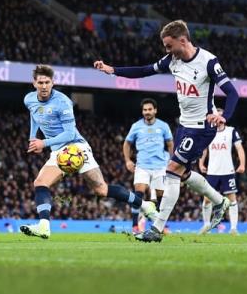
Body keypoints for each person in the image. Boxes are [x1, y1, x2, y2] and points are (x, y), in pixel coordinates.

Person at [94, 20, 239, 242]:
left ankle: (156, 230)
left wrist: (223, 116)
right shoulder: (172, 61)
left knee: (171, 171)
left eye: (169, 46)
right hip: (184, 126)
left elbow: (232, 93)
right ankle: (219, 201)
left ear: (183, 40)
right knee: (184, 174)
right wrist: (112, 70)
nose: (167, 51)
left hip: (202, 127)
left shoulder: (208, 62)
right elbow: (143, 70)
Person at [19, 65, 159, 240]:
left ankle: (145, 205)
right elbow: (35, 114)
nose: (44, 86)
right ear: (34, 83)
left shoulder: (62, 102)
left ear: (53, 82)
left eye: (47, 82)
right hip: (57, 151)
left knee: (101, 189)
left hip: (76, 148)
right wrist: (33, 137)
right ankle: (44, 226)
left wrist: (43, 143)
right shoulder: (29, 99)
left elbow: (70, 133)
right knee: (40, 183)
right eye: (41, 82)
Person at [123, 98, 173, 234]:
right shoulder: (136, 126)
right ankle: (135, 226)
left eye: (150, 109)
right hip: (142, 166)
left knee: (162, 196)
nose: (147, 112)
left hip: (160, 166)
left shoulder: (163, 126)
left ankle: (160, 224)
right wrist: (128, 160)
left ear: (155, 110)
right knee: (138, 193)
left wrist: (171, 160)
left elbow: (170, 143)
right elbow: (127, 144)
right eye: (145, 110)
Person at [198, 108, 245, 235]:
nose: (217, 118)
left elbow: (239, 148)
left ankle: (234, 228)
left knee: (232, 199)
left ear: (223, 117)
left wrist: (242, 164)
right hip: (212, 172)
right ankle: (206, 226)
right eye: (215, 116)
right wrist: (201, 163)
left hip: (227, 171)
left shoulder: (231, 131)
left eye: (220, 115)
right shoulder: (209, 132)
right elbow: (204, 150)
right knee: (207, 199)